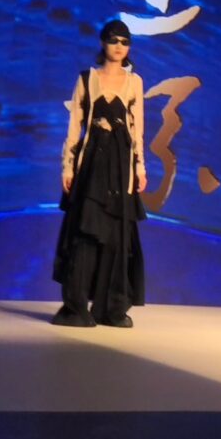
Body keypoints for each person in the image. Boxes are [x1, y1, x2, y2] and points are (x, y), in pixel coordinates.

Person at [52, 19, 148, 328]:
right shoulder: (87, 79)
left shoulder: (134, 82)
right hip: (92, 162)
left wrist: (140, 168)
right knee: (86, 233)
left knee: (117, 236)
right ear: (103, 43)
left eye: (125, 41)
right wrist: (67, 167)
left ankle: (111, 308)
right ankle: (76, 307)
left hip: (120, 164)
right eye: (113, 40)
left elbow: (137, 130)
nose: (119, 46)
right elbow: (74, 127)